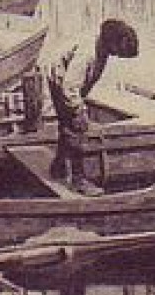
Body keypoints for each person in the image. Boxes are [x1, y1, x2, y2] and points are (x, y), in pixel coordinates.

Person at [42, 18, 140, 196]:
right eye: (119, 52)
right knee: (76, 127)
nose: (118, 56)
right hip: (59, 78)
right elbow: (69, 86)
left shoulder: (102, 46)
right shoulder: (87, 53)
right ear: (112, 43)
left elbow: (84, 80)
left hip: (68, 80)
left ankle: (58, 167)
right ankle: (78, 180)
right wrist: (79, 110)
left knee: (67, 124)